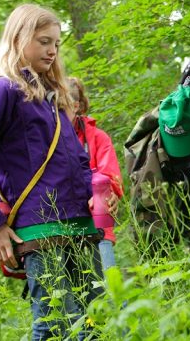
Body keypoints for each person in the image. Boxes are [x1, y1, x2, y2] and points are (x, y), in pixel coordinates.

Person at [0, 4, 103, 340]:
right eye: (44, 41)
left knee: (95, 321)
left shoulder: (53, 94)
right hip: (39, 230)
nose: (52, 50)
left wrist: (96, 195)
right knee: (54, 324)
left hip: (80, 224)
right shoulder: (3, 90)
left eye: (57, 44)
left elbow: (76, 159)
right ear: (18, 38)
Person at [68, 77, 124, 272]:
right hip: (64, 228)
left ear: (75, 106)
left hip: (98, 225)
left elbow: (110, 176)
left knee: (109, 286)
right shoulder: (46, 139)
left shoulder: (97, 137)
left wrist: (111, 193)